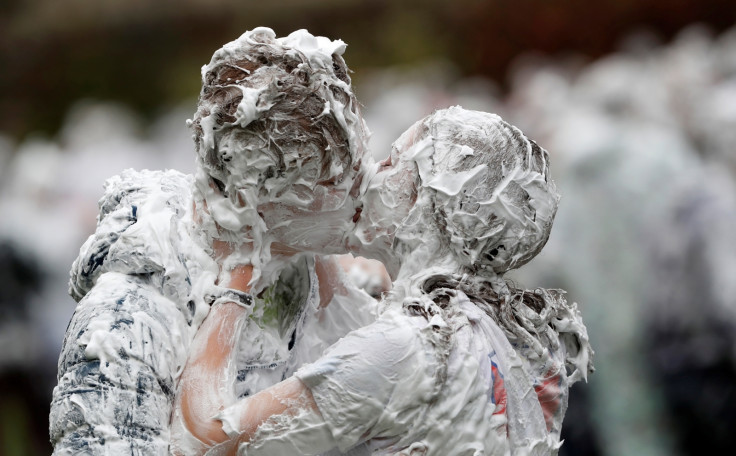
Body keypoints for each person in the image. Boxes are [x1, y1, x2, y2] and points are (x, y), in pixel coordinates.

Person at [172, 107, 594, 455]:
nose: (373, 174)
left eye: (392, 164)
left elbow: (205, 438)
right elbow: (352, 331)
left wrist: (237, 278)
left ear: (423, 203)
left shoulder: (404, 348)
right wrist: (306, 231)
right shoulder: (520, 335)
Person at [50, 27, 378, 454]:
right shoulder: (128, 323)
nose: (362, 193)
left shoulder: (303, 272)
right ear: (255, 198)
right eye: (337, 182)